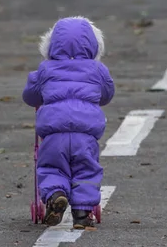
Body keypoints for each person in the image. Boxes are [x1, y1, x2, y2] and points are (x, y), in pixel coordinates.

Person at [22, 16, 115, 229]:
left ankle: (56, 195)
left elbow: (30, 96)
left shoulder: (45, 69)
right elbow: (107, 94)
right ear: (94, 45)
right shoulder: (98, 70)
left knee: (52, 167)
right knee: (87, 170)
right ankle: (82, 214)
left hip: (54, 134)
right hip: (85, 135)